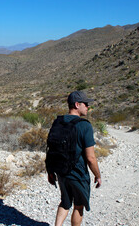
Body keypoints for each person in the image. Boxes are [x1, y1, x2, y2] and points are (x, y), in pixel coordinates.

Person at [48, 91, 102, 226]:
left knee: (65, 202)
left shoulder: (58, 122)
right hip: (78, 174)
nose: (88, 107)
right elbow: (90, 158)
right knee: (79, 206)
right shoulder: (84, 125)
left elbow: (51, 149)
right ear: (77, 105)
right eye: (86, 104)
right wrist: (98, 175)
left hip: (61, 172)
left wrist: (50, 171)